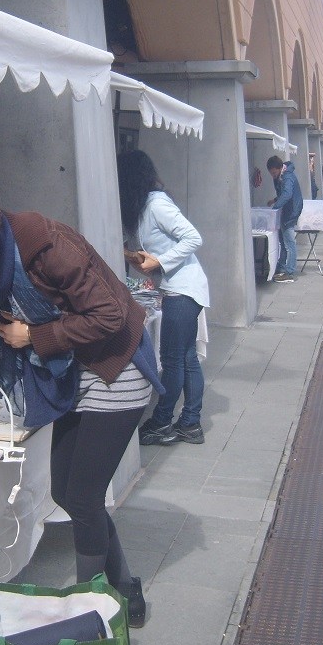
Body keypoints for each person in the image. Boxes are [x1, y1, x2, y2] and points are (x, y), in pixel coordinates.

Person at [0, 187, 162, 628]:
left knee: (82, 496)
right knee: (67, 492)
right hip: (67, 376)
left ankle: (89, 611)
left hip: (114, 366)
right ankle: (123, 586)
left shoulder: (43, 243)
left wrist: (34, 337)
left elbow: (109, 316)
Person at [116, 150, 210, 447]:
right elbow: (153, 250)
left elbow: (194, 238)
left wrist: (160, 263)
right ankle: (190, 423)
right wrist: (138, 258)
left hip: (184, 290)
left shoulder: (157, 204)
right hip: (180, 288)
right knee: (186, 358)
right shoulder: (146, 206)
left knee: (174, 360)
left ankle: (162, 421)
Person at [267, 156, 304, 282]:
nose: (272, 175)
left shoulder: (287, 177)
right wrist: (275, 200)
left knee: (289, 243)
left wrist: (275, 208)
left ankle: (289, 272)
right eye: (271, 173)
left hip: (290, 212)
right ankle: (281, 267)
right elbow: (283, 194)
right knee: (283, 242)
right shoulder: (282, 176)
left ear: (279, 168)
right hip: (286, 211)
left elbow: (287, 194)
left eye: (274, 173)